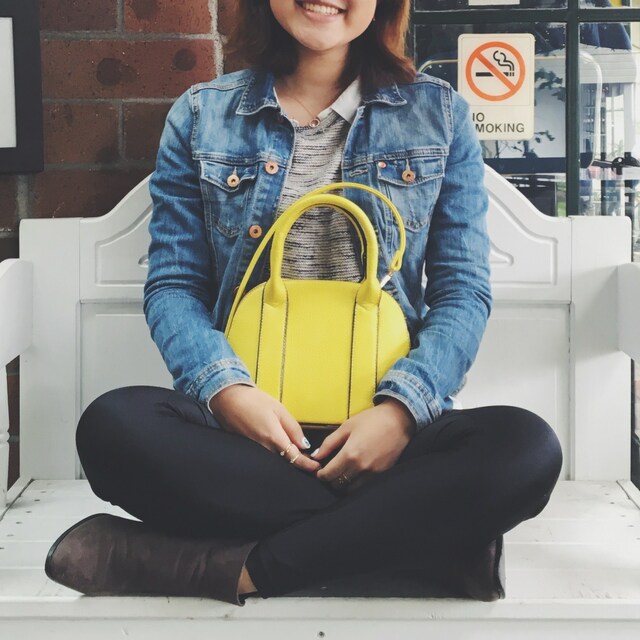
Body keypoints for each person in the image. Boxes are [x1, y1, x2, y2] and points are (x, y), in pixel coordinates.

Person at [44, 0, 563, 607]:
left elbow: (462, 290)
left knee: (525, 449)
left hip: (386, 440)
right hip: (247, 443)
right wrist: (229, 393)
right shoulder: (202, 116)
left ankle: (234, 570)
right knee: (112, 428)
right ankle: (433, 547)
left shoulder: (438, 115)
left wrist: (400, 414)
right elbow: (174, 285)